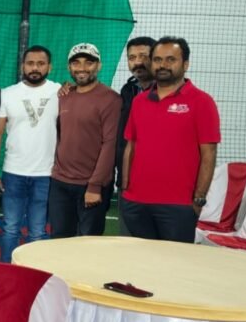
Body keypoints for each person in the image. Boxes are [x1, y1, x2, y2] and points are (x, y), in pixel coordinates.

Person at [122, 37, 220, 243]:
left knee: (174, 262)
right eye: (157, 60)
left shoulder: (202, 102)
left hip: (179, 206)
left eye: (170, 59)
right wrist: (125, 189)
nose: (163, 65)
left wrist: (199, 199)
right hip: (136, 203)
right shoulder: (139, 101)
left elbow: (209, 154)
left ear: (185, 64)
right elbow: (131, 145)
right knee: (140, 259)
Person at [0, 46, 61, 262]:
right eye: (30, 63)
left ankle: (34, 273)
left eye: (40, 63)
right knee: (10, 228)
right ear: (22, 66)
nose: (35, 68)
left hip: (46, 174)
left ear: (49, 67)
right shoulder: (7, 93)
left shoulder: (60, 92)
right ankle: (9, 271)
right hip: (13, 173)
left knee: (38, 231)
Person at [50, 43, 120, 237]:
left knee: (88, 244)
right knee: (59, 239)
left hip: (90, 186)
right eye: (76, 63)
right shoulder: (64, 96)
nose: (82, 68)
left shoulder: (111, 99)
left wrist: (95, 186)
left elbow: (110, 144)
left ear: (99, 66)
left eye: (88, 62)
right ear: (69, 67)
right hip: (60, 183)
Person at [117, 37, 156, 187]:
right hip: (126, 177)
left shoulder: (168, 92)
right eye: (132, 58)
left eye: (143, 56)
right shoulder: (128, 90)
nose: (137, 62)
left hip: (156, 177)